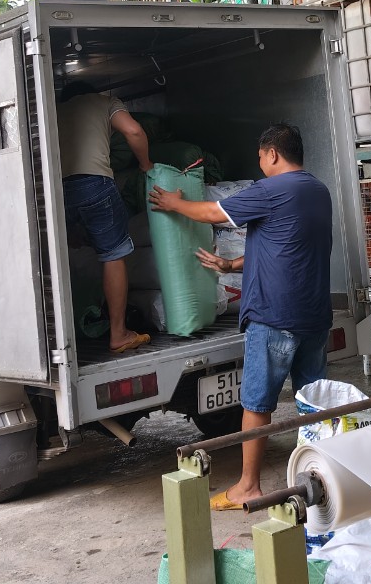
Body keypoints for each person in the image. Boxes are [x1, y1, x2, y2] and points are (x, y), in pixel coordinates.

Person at [149, 122, 332, 510]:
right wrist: (232, 265)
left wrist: (174, 203)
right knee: (313, 399)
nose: (261, 164)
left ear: (272, 154)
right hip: (314, 316)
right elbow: (285, 247)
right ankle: (324, 474)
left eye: (261, 157)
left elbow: (213, 213)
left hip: (274, 315)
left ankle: (248, 486)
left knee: (256, 404)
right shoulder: (318, 191)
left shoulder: (272, 190)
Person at [56, 82, 154, 354]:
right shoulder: (105, 102)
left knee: (69, 246)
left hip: (56, 190)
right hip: (95, 184)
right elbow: (134, 130)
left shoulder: (52, 109)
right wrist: (146, 165)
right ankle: (119, 333)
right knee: (113, 254)